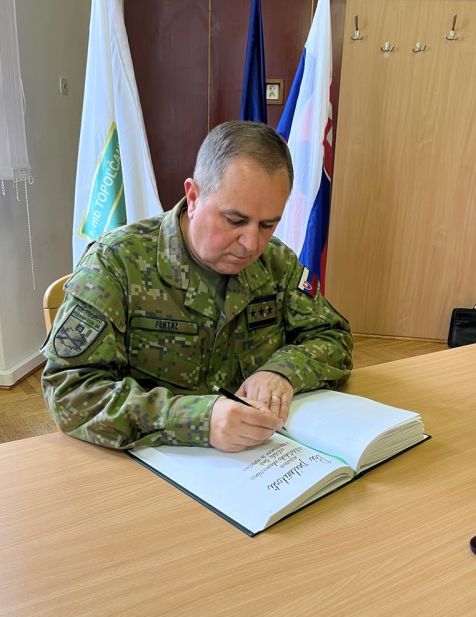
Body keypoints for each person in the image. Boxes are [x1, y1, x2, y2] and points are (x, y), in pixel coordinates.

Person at [41, 121, 352, 452]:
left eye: (267, 225)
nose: (251, 243)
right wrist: (196, 419)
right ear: (193, 196)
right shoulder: (116, 263)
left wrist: (281, 373)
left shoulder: (275, 263)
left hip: (258, 458)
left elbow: (333, 338)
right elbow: (70, 391)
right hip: (153, 461)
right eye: (235, 220)